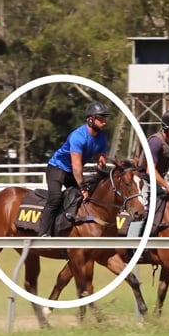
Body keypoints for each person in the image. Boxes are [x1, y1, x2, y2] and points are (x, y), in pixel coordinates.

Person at [37, 101, 110, 237]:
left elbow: (101, 162)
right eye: (101, 118)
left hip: (72, 171)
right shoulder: (78, 136)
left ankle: (73, 228)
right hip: (57, 168)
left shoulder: (102, 138)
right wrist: (83, 187)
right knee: (55, 198)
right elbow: (76, 166)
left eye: (105, 118)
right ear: (90, 119)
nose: (104, 121)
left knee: (84, 198)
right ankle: (43, 233)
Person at [129, 110, 169, 237]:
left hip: (156, 181)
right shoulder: (155, 142)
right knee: (142, 212)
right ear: (166, 128)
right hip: (142, 180)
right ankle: (130, 247)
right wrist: (166, 186)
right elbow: (150, 171)